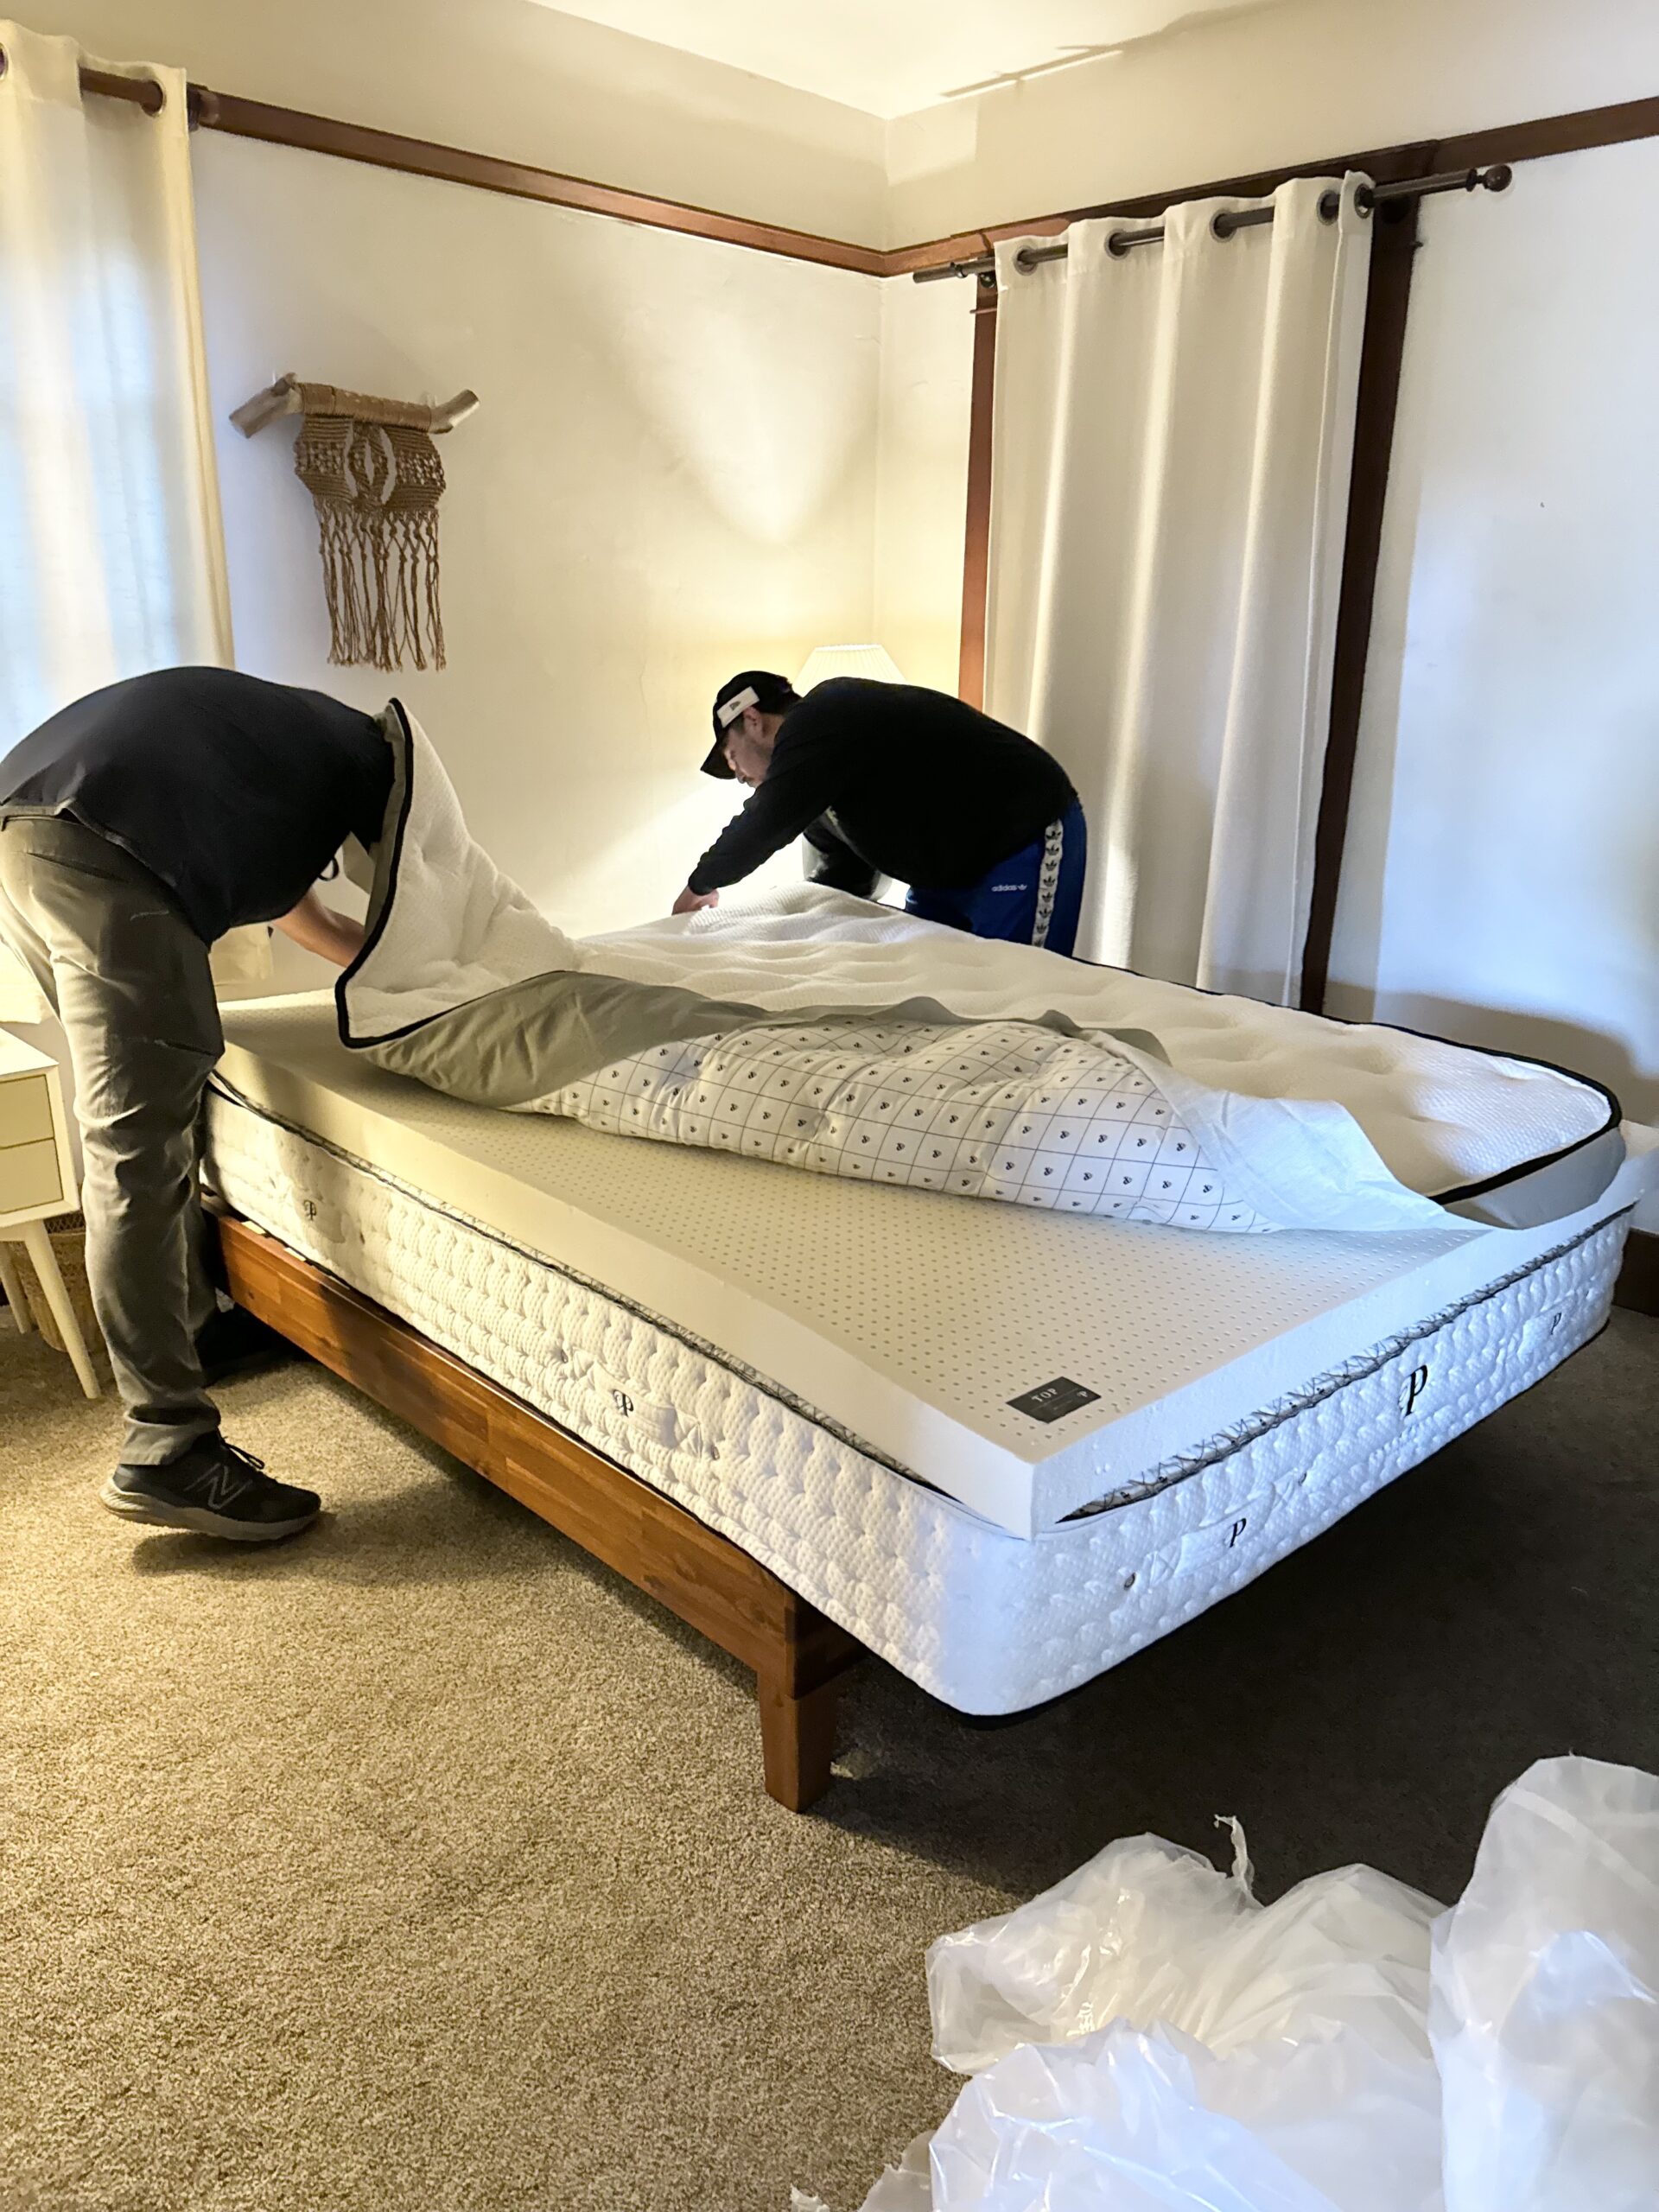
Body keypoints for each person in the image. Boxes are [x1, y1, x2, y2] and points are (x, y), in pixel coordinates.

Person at [0, 666, 391, 1542]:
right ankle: (166, 1447)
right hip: (107, 850)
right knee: (134, 1147)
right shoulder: (366, 766)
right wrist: (431, 972)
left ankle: (197, 1326)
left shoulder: (293, 747)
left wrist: (390, 969)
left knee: (150, 1108)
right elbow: (416, 900)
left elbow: (313, 917)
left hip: (26, 833)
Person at [674, 671, 1088, 954]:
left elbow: (766, 821)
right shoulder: (817, 784)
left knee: (1017, 995)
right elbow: (847, 876)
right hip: (942, 874)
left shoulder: (823, 714)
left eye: (732, 758)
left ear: (752, 719)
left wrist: (701, 884)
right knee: (930, 986)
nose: (740, 777)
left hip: (1017, 839)